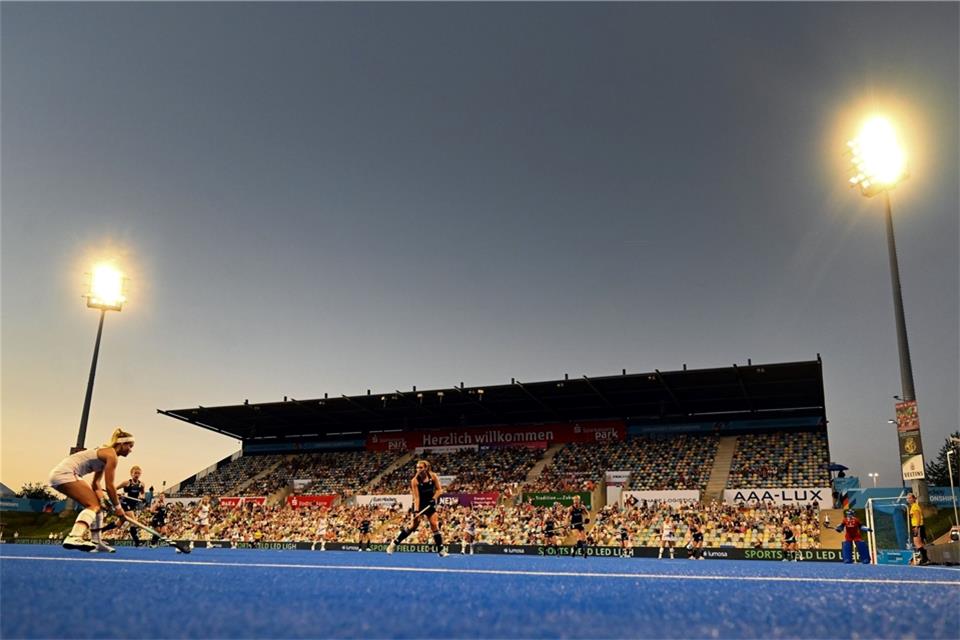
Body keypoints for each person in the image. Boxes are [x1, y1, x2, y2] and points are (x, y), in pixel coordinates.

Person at [47, 427, 134, 552]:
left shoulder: (106, 454)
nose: (131, 450)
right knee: (93, 505)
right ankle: (74, 536)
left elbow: (96, 483)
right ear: (121, 444)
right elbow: (110, 486)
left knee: (98, 507)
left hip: (62, 474)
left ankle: (97, 542)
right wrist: (118, 509)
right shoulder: (112, 455)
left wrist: (103, 500)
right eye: (130, 446)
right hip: (66, 473)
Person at [386, 460, 447, 557]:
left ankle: (441, 550)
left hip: (430, 503)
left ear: (426, 468)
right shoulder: (414, 481)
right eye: (417, 467)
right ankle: (394, 544)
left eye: (420, 468)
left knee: (434, 524)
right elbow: (417, 498)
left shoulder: (433, 476)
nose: (418, 469)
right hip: (419, 504)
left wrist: (433, 499)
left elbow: (439, 490)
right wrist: (416, 511)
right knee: (413, 526)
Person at [117, 466, 146, 547]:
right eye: (135, 473)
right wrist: (119, 495)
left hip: (133, 505)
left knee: (118, 524)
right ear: (131, 474)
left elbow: (143, 493)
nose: (137, 475)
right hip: (125, 503)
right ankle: (137, 542)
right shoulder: (126, 483)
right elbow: (114, 489)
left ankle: (101, 531)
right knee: (134, 522)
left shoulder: (141, 484)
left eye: (138, 473)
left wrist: (142, 498)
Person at [907, 494, 929, 566]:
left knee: (917, 543)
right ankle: (925, 559)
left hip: (918, 526)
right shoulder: (913, 506)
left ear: (914, 499)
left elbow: (918, 517)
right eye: (907, 498)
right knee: (919, 543)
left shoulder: (915, 506)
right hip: (917, 526)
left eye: (910, 498)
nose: (908, 499)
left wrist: (917, 526)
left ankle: (925, 559)